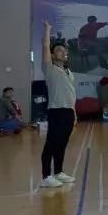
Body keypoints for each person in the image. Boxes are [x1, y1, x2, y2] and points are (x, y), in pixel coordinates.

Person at [39, 20, 78, 189]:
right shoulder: (49, 69)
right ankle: (46, 176)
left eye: (64, 50)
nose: (63, 52)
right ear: (53, 55)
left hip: (68, 112)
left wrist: (74, 113)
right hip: (56, 111)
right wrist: (48, 30)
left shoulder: (68, 72)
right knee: (51, 143)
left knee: (62, 143)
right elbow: (45, 46)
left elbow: (72, 94)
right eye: (59, 50)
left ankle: (59, 172)